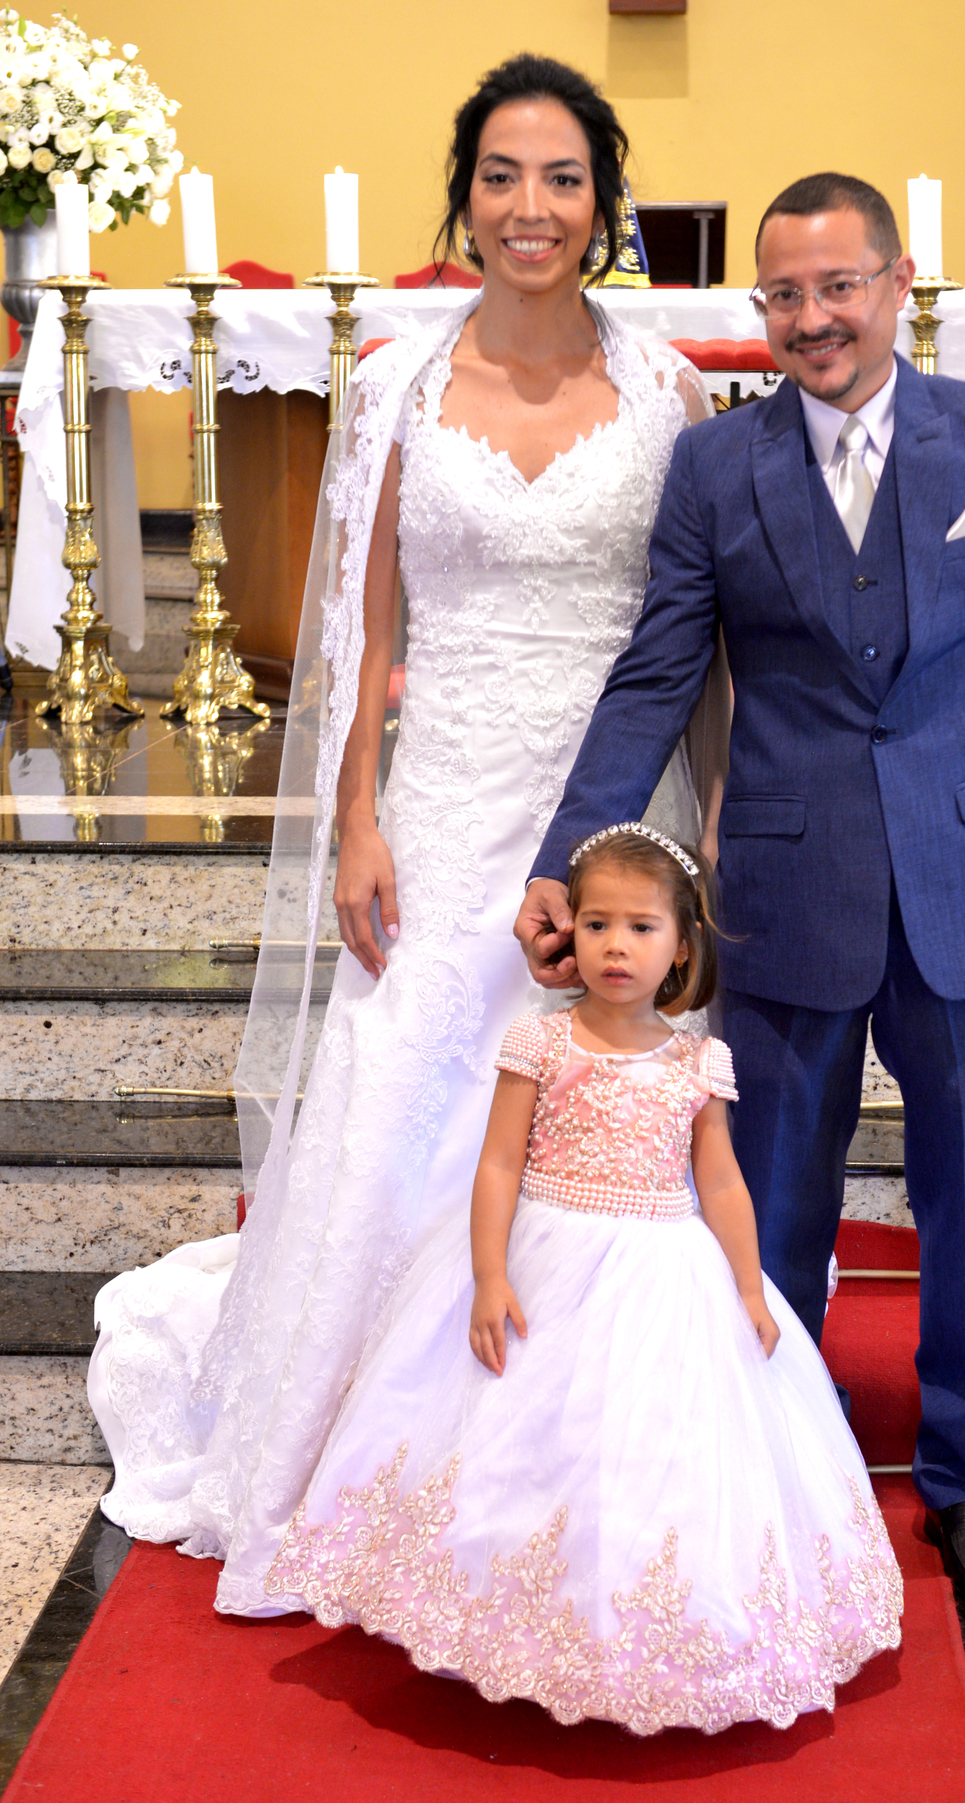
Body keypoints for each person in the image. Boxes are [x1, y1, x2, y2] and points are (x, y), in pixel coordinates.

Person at [87, 54, 717, 1619]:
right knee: (407, 1103)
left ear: (604, 202)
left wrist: (708, 835)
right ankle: (344, 1456)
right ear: (466, 195)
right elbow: (365, 632)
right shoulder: (396, 389)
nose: (530, 207)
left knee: (593, 1116)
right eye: (502, 176)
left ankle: (562, 1462)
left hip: (614, 806)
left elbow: (694, 632)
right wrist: (356, 817)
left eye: (562, 179)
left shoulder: (671, 392)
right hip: (441, 807)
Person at [517, 172, 965, 1614]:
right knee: (772, 1205)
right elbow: (657, 676)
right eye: (785, 295)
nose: (813, 319)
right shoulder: (716, 470)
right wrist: (566, 856)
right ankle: (775, 1462)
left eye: (838, 287)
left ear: (898, 283)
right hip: (791, 891)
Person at [264, 825, 902, 1732]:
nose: (615, 946)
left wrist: (750, 1288)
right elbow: (498, 1164)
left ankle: (636, 1639)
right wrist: (490, 1275)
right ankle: (505, 1618)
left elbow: (722, 1183)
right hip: (545, 1263)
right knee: (522, 1438)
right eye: (597, 923)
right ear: (572, 933)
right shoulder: (540, 1042)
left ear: (682, 946)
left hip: (662, 1273)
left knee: (647, 1453)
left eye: (641, 927)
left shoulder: (698, 1061)